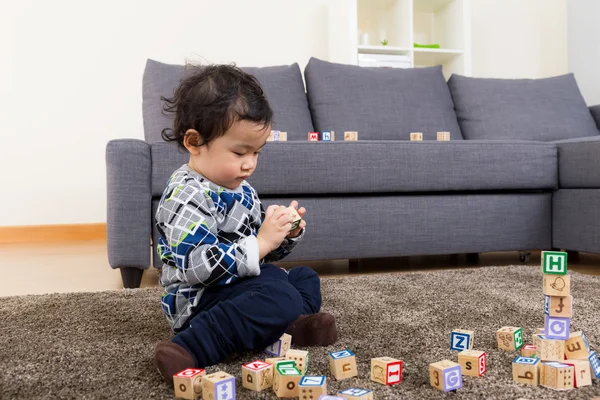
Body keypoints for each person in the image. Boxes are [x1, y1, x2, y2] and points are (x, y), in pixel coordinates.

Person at [152, 63, 338, 387]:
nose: (249, 163)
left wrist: (283, 232)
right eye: (240, 151)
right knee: (277, 294)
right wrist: (261, 243)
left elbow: (262, 253)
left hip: (241, 284)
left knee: (303, 279)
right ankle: (188, 348)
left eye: (256, 152)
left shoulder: (241, 188)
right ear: (195, 142)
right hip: (200, 300)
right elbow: (198, 267)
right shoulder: (185, 193)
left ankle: (289, 326)